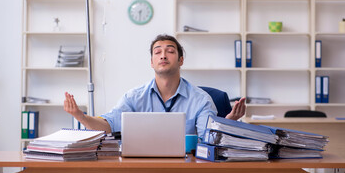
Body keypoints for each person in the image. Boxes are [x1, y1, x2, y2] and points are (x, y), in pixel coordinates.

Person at [64, 34, 246, 138]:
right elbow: (109, 125)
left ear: (181, 60)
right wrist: (81, 116)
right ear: (152, 62)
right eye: (157, 52)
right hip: (142, 168)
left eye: (170, 51)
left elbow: (209, 136)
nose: (163, 56)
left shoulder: (201, 99)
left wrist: (228, 122)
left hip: (187, 170)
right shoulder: (134, 97)